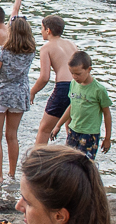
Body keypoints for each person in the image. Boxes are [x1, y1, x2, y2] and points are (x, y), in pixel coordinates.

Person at [0, 16, 38, 186]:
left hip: (1, 94)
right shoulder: (31, 51)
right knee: (12, 136)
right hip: (19, 95)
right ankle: (12, 174)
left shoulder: (3, 51)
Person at [27, 16, 83, 148]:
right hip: (78, 86)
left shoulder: (46, 48)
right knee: (71, 127)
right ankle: (72, 160)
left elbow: (45, 77)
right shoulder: (71, 44)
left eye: (42, 28)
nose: (41, 31)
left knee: (44, 129)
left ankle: (37, 162)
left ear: (48, 30)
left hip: (63, 88)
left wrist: (33, 91)